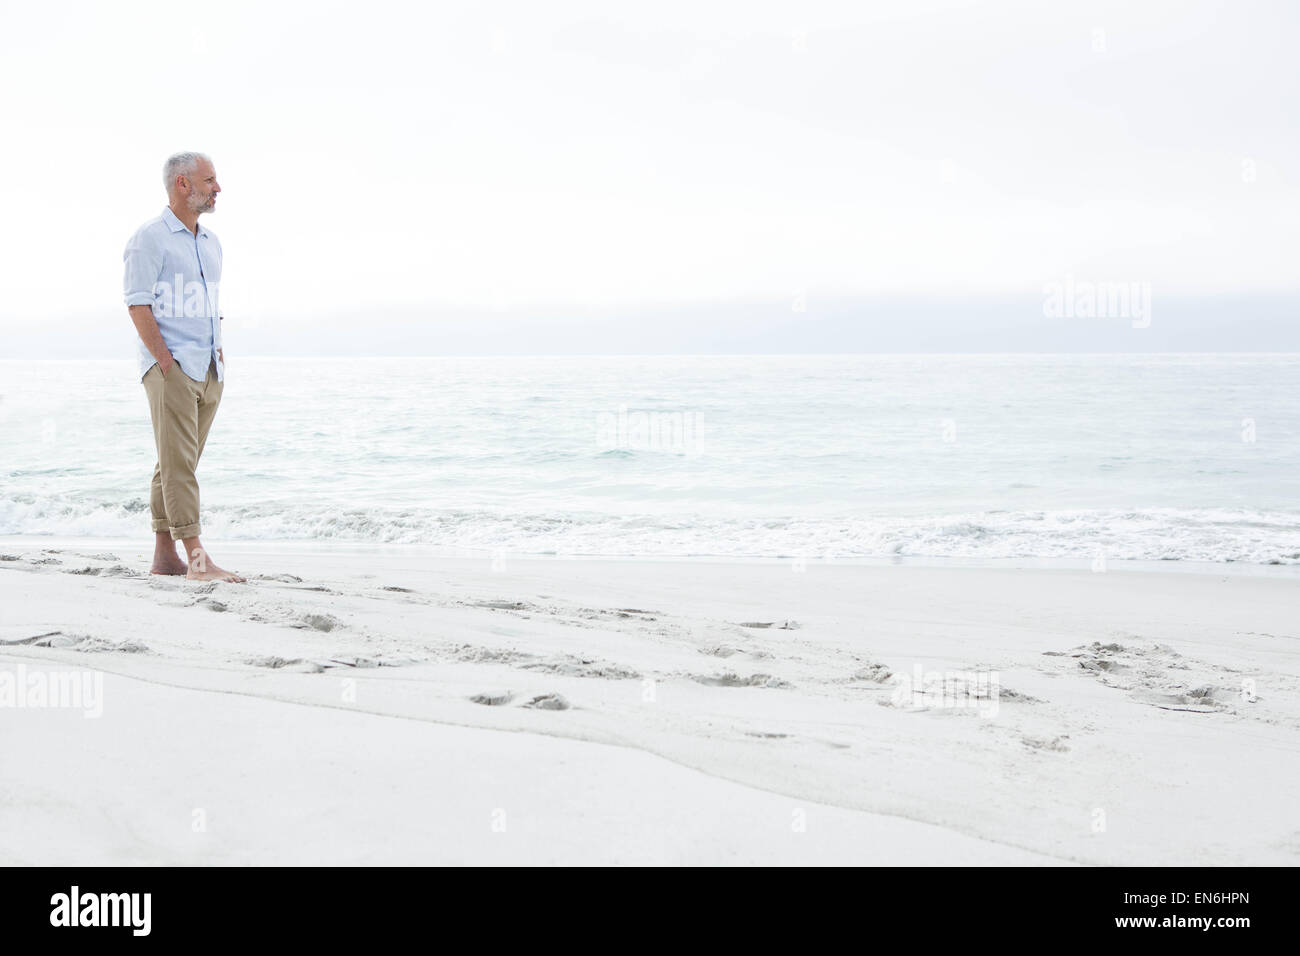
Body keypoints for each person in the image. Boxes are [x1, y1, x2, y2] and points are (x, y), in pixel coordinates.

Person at [123, 151, 244, 582]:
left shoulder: (211, 244)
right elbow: (137, 303)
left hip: (209, 368)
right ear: (182, 185)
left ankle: (164, 557)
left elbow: (209, 304)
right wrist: (163, 361)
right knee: (179, 467)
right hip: (170, 367)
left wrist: (220, 354)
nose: (217, 188)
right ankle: (197, 561)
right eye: (210, 180)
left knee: (174, 465)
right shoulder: (149, 238)